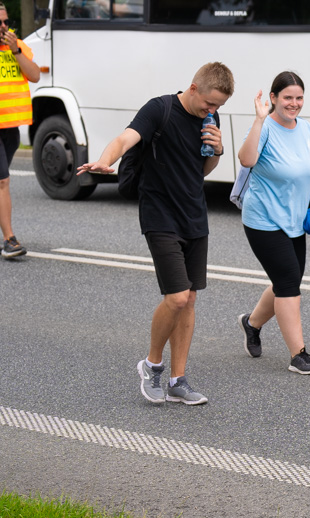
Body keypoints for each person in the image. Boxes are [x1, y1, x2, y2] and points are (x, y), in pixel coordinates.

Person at [77, 62, 235, 406]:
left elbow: (203, 169)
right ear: (194, 88)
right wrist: (105, 160)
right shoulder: (159, 109)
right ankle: (152, 365)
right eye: (209, 104)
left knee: (191, 298)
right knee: (177, 297)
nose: (213, 111)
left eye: (219, 107)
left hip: (194, 213)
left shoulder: (211, 119)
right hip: (159, 213)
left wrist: (217, 151)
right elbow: (125, 138)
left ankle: (179, 380)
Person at [235, 71, 310, 375]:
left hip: (295, 219)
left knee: (287, 282)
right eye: (287, 98)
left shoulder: (305, 129)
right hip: (263, 220)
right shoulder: (265, 127)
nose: (293, 104)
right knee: (288, 283)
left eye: (298, 98)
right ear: (273, 99)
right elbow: (246, 159)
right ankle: (298, 356)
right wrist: (258, 120)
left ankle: (251, 323)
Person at [0, 4, 40, 259]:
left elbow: (35, 75)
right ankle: (9, 239)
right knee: (2, 181)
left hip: (10, 128)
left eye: (5, 21)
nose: (4, 27)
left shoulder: (18, 46)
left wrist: (16, 51)